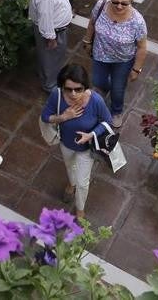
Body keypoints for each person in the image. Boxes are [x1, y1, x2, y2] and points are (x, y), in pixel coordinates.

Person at [40, 64, 113, 219]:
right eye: (68, 89)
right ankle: (71, 183)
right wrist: (63, 117)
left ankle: (80, 208)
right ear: (62, 87)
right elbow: (45, 116)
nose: (73, 94)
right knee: (69, 166)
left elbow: (107, 121)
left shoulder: (96, 101)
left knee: (83, 183)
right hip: (65, 143)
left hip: (86, 149)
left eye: (78, 89)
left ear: (85, 86)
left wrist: (91, 135)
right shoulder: (57, 95)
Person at [82, 0, 148, 127]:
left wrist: (136, 69)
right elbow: (92, 23)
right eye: (115, 2)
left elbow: (142, 47)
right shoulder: (100, 6)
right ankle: (107, 87)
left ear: (131, 0)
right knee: (98, 82)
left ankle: (116, 111)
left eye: (124, 3)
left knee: (117, 91)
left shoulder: (137, 22)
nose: (119, 6)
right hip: (100, 55)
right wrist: (87, 41)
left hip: (123, 61)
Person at [29, 0, 73, 94]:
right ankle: (50, 85)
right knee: (51, 58)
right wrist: (51, 38)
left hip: (54, 29)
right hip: (54, 32)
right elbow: (45, 18)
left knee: (47, 56)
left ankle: (45, 74)